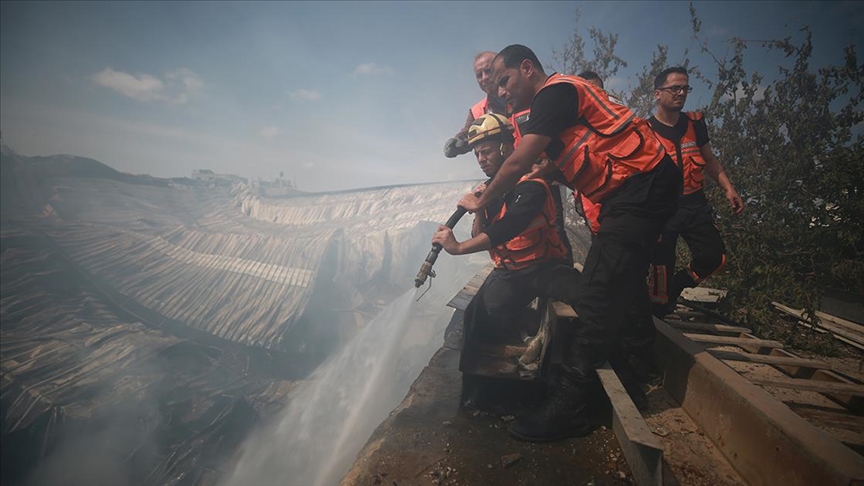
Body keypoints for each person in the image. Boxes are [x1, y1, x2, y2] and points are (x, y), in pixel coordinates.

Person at [458, 45, 681, 442]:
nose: (503, 91)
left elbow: (519, 161)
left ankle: (568, 406)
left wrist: (483, 198)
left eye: (506, 81)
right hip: (634, 192)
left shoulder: (553, 94)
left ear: (528, 69)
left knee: (596, 298)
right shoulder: (556, 105)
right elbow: (582, 156)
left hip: (642, 188)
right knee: (614, 289)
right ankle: (630, 381)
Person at [432, 114, 574, 333]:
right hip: (511, 271)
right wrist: (479, 210)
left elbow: (508, 227)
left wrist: (458, 247)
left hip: (546, 265)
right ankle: (529, 329)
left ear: (505, 148)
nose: (480, 159)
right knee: (472, 320)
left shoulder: (531, 185)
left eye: (486, 151)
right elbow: (481, 234)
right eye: (477, 154)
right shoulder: (490, 192)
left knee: (587, 299)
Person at [647, 67, 745, 317]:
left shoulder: (695, 124)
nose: (681, 93)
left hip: (694, 205)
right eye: (675, 88)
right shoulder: (644, 130)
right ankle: (655, 319)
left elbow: (709, 159)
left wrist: (728, 188)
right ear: (658, 94)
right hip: (662, 210)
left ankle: (679, 284)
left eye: (685, 88)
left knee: (714, 256)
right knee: (660, 274)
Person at [444, 52, 512, 158]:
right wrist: (457, 144)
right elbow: (467, 136)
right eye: (479, 75)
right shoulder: (477, 111)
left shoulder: (523, 93)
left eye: (488, 71)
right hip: (507, 169)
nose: (484, 78)